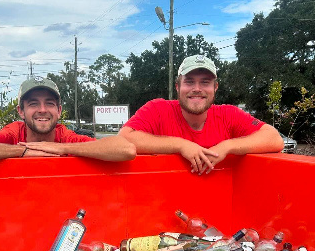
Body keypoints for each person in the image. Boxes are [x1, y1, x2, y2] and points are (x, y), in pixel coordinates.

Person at [119, 55, 283, 174]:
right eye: (189, 81)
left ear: (215, 87)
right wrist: (181, 145)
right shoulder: (157, 109)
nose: (197, 88)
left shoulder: (228, 114)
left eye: (205, 82)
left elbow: (274, 139)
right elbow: (125, 138)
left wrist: (226, 147)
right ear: (177, 86)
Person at [0, 76, 136, 165]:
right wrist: (22, 151)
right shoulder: (13, 134)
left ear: (59, 111)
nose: (42, 110)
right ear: (21, 111)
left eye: (49, 103)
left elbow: (125, 149)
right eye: (34, 103)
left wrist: (62, 148)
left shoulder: (65, 137)